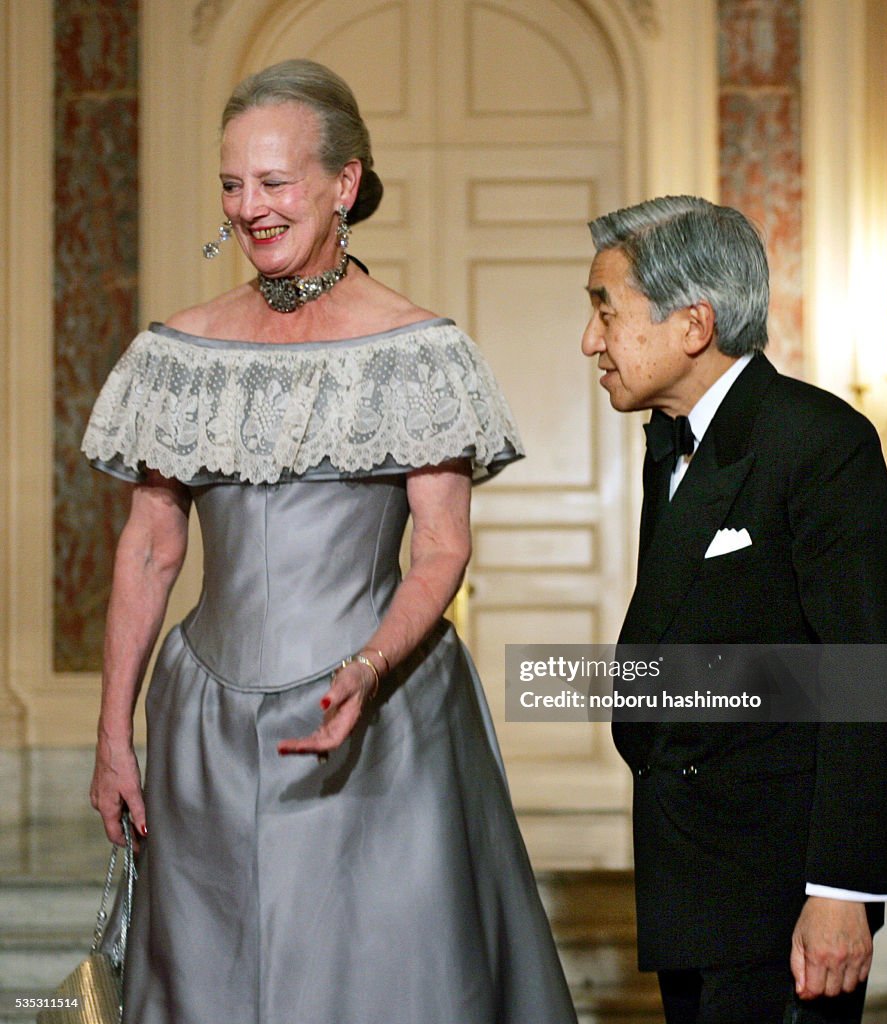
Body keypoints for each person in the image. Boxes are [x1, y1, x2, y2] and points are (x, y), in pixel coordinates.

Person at [82, 58, 577, 1024]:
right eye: (232, 185)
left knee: (381, 983)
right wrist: (112, 735)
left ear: (343, 185)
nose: (249, 208)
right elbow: (149, 547)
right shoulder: (178, 352)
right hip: (204, 731)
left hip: (379, 712)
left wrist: (369, 664)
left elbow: (439, 547)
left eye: (275, 182)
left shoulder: (416, 351)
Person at [580, 195, 887, 1024]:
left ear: (692, 325)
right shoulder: (671, 448)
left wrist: (838, 890)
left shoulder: (819, 442)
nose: (592, 341)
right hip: (693, 881)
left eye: (605, 311)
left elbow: (866, 679)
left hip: (782, 900)